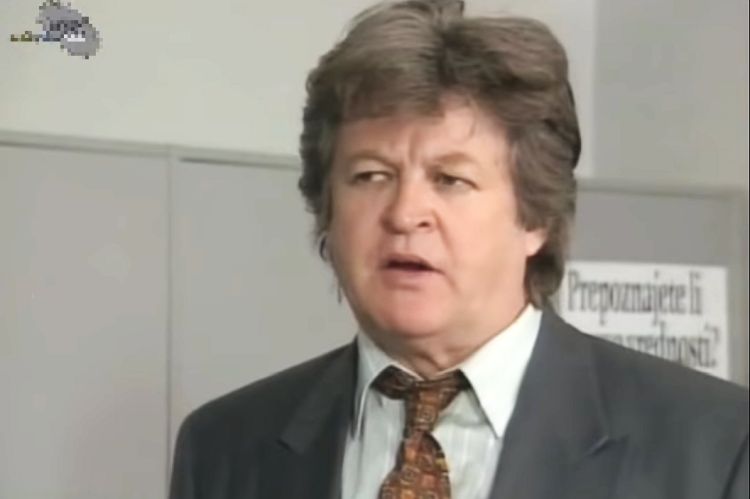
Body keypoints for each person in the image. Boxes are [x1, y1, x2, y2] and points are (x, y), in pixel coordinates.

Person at [168, 1, 749, 498]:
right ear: (326, 209)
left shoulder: (714, 444)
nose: (404, 214)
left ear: (536, 216)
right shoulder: (224, 447)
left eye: (450, 179)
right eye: (371, 175)